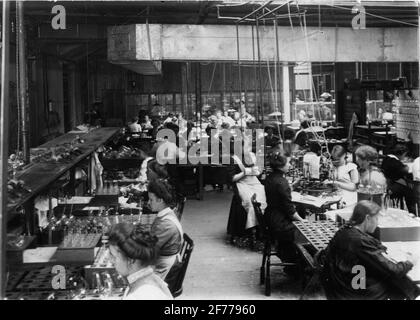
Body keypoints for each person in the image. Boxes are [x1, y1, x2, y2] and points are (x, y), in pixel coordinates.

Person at [322, 200, 417, 300]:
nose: (377, 222)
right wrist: (410, 262)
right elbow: (394, 270)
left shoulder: (344, 231)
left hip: (339, 286)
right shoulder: (359, 242)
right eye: (376, 218)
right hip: (353, 293)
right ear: (367, 218)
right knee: (398, 283)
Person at [264, 151, 304, 277]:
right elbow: (291, 212)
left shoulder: (271, 178)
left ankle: (290, 261)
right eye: (288, 163)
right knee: (305, 232)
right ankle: (298, 265)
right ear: (281, 166)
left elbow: (279, 192)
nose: (290, 165)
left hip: (270, 217)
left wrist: (292, 185)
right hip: (280, 223)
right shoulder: (282, 182)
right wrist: (303, 222)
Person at [108, 223, 173, 300]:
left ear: (131, 260)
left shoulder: (139, 295)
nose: (110, 260)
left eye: (113, 256)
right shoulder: (151, 278)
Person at [148, 179, 183, 279]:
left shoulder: (165, 225)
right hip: (164, 261)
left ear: (160, 200)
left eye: (151, 200)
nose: (149, 203)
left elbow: (150, 250)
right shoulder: (168, 213)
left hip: (164, 269)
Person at [381, 143, 416, 213]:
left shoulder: (387, 158)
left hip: (389, 183)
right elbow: (406, 170)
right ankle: (412, 211)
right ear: (402, 154)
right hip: (393, 185)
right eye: (405, 155)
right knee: (411, 188)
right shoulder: (395, 162)